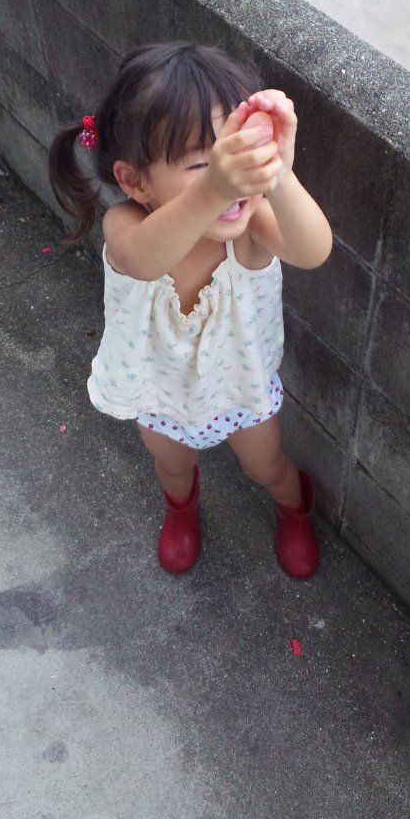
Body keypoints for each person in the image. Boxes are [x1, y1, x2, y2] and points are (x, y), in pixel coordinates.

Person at [48, 42, 332, 578]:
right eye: (204, 163)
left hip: (239, 388)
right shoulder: (127, 226)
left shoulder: (250, 227)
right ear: (135, 181)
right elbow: (143, 262)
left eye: (237, 153)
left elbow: (313, 250)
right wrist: (215, 188)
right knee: (172, 466)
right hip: (160, 392)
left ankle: (294, 508)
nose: (231, 179)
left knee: (266, 465)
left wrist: (278, 172)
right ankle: (182, 508)